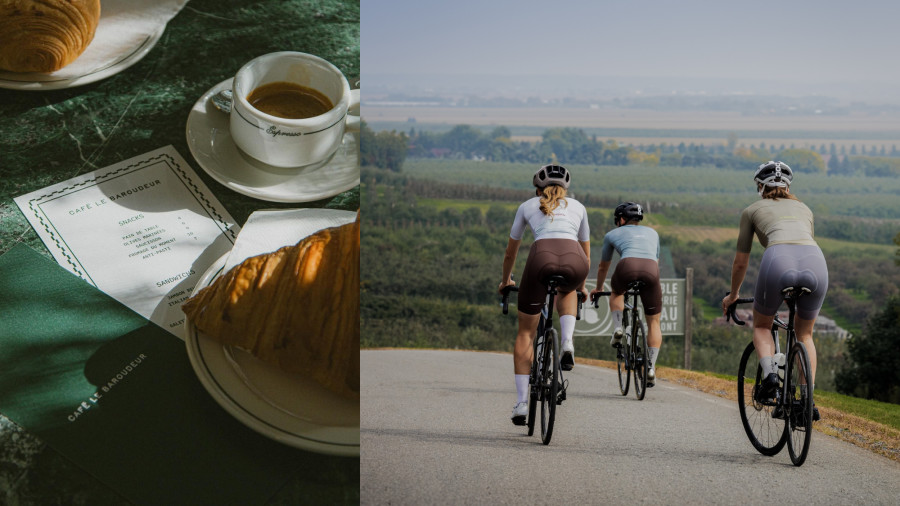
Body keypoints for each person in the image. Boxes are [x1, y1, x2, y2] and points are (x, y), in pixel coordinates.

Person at [722, 161, 827, 421]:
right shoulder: (805, 208)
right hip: (816, 262)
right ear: (788, 187)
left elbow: (741, 261)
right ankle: (808, 400)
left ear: (760, 186)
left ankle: (770, 376)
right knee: (805, 334)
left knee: (761, 326)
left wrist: (733, 294)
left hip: (777, 260)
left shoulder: (751, 210)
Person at [499, 164, 590, 426]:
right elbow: (586, 253)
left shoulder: (527, 206)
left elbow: (510, 253)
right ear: (565, 188)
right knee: (568, 289)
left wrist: (506, 281)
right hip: (575, 260)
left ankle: (522, 403)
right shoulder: (579, 207)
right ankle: (567, 342)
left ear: (538, 189)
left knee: (526, 332)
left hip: (541, 258)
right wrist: (581, 284)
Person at [590, 202, 663, 387]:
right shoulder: (653, 233)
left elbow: (603, 266)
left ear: (621, 219)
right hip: (651, 271)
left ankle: (617, 328)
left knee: (617, 292)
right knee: (654, 321)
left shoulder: (612, 234)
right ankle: (650, 368)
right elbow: (655, 263)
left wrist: (598, 288)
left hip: (627, 266)